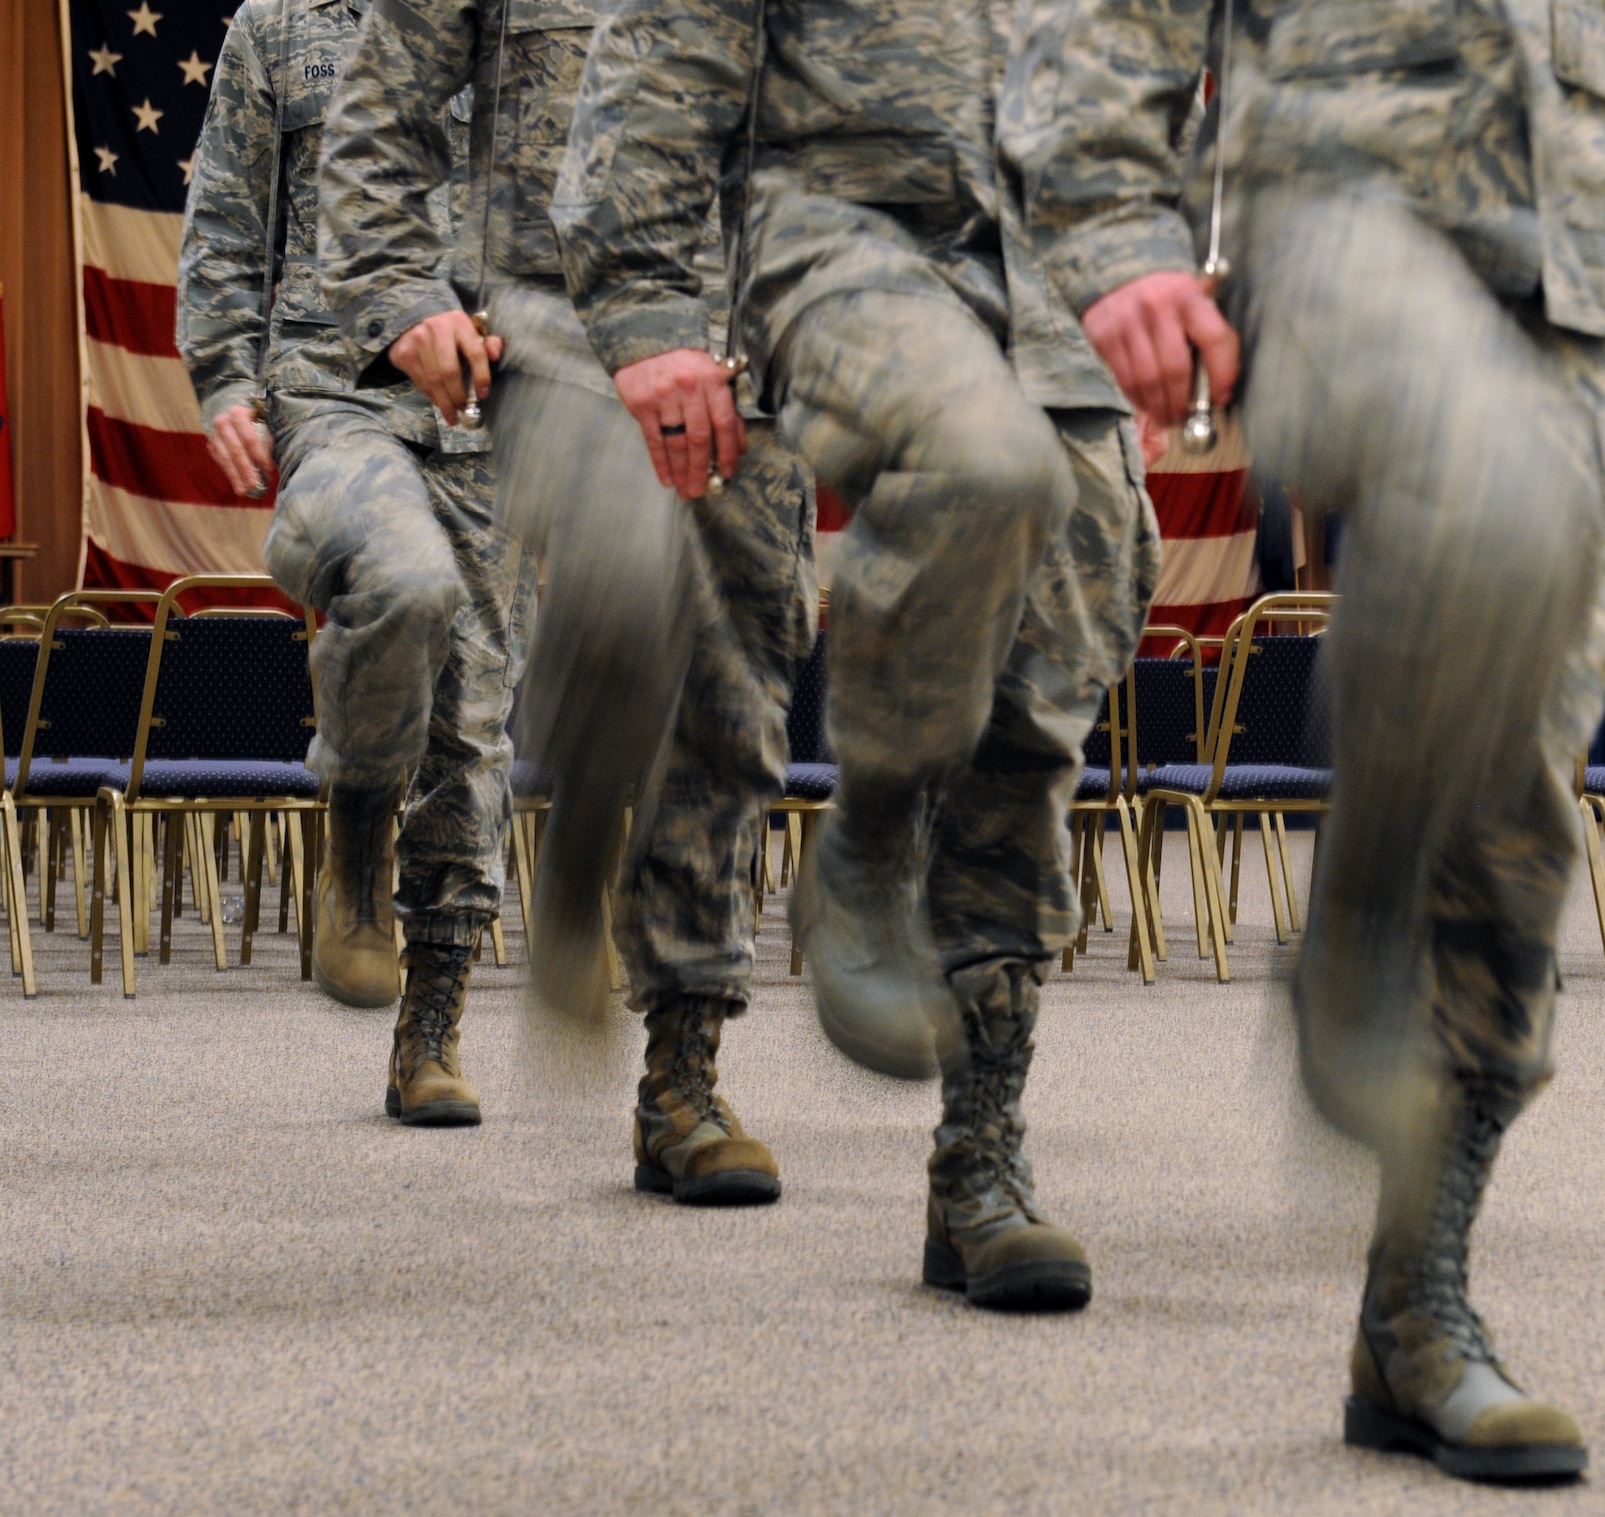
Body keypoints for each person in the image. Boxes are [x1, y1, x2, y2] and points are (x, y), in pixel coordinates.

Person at [1037, 0, 1605, 1480]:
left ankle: (1414, 1309)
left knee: (1515, 800)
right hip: (1346, 197)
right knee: (1494, 506)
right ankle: (1358, 912)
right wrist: (1113, 225)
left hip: (1572, 270)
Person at [552, 0, 1162, 1308]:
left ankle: (979, 1155)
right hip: (830, 258)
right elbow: (665, 45)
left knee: (1033, 718)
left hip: (1058, 295)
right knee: (723, 695)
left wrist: (1156, 269)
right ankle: (684, 1056)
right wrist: (649, 308)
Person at [317, 0, 815, 1204]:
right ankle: (580, 844)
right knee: (620, 581)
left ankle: (681, 1080)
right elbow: (379, 105)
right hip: (552, 328)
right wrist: (401, 292)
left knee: (734, 704)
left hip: (745, 341)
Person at [178, 0, 533, 1127]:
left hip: (492, 418)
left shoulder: (525, 24)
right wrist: (224, 379)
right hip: (334, 394)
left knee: (473, 729)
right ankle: (359, 817)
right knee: (402, 579)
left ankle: (430, 1027)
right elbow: (226, 218)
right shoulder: (279, 25)